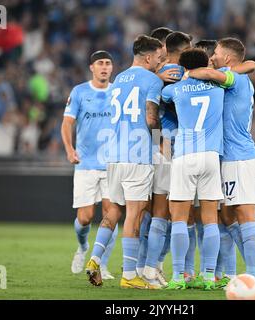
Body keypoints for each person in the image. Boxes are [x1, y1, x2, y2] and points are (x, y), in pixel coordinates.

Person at [85, 35, 163, 289]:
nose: (159, 63)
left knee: (113, 211)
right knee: (135, 214)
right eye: (158, 59)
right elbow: (151, 118)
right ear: (149, 57)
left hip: (114, 156)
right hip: (137, 156)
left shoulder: (118, 80)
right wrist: (163, 144)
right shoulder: (152, 80)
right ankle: (129, 275)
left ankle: (95, 259)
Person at [188, 38, 255, 284]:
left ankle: (253, 273)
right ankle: (238, 272)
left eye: (217, 52)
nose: (213, 56)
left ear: (228, 58)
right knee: (227, 216)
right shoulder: (236, 74)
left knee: (244, 212)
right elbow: (249, 64)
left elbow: (216, 72)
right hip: (228, 156)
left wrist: (188, 71)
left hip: (239, 156)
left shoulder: (234, 77)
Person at [162, 48, 225, 290]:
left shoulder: (175, 89)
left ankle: (178, 276)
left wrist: (184, 77)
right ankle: (209, 276)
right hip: (211, 156)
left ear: (184, 66)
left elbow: (164, 95)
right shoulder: (219, 89)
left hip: (185, 156)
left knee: (178, 219)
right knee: (210, 220)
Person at [140, 31, 192, 289]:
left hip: (156, 146)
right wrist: (162, 142)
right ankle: (151, 266)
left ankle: (147, 265)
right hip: (168, 146)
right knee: (166, 212)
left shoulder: (156, 73)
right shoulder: (175, 72)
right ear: (181, 52)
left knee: (154, 212)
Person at [61, 51, 118, 280]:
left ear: (112, 68)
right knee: (85, 217)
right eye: (100, 64)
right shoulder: (80, 92)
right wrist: (69, 149)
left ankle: (102, 264)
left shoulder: (118, 92)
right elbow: (67, 123)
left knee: (110, 214)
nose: (104, 67)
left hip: (112, 164)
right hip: (85, 163)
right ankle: (83, 247)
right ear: (91, 67)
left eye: (108, 63)